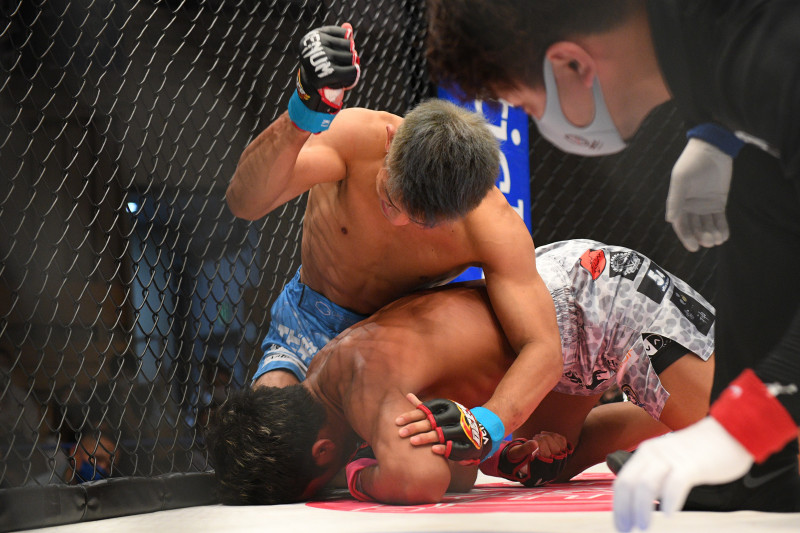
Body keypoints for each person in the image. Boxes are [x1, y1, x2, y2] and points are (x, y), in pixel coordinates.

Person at [423, 0, 800, 527]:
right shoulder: (701, 45)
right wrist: (715, 133)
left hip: (621, 305)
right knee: (754, 188)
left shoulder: (769, 51)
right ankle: (764, 469)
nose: (540, 123)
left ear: (572, 64)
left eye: (529, 106)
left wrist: (747, 422)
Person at [225, 22, 563, 452]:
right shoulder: (356, 138)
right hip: (308, 322)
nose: (398, 219)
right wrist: (303, 114)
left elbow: (542, 348)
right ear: (390, 141)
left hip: (394, 344)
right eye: (390, 196)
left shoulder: (491, 226)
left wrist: (487, 424)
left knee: (407, 466)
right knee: (270, 447)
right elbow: (244, 202)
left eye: (420, 219)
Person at [207, 239, 715, 505]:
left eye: (321, 484)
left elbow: (421, 480)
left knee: (739, 435)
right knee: (542, 464)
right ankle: (656, 417)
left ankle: (699, 408)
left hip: (597, 299)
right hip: (558, 342)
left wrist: (356, 477)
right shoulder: (324, 371)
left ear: (322, 452)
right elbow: (461, 470)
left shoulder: (362, 383)